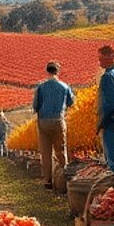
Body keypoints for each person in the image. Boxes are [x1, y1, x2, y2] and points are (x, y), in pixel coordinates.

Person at [32, 61, 74, 193]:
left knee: (46, 152)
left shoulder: (41, 87)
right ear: (58, 71)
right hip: (58, 120)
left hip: (44, 121)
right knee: (61, 150)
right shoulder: (64, 86)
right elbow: (70, 102)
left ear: (47, 71)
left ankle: (48, 182)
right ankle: (63, 181)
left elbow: (35, 106)